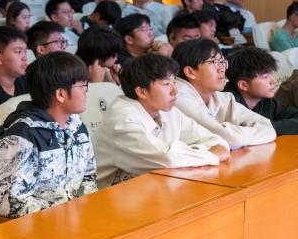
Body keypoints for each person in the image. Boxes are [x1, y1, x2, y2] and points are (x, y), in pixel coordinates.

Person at [94, 54, 230, 188]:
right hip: (109, 195)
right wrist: (210, 155)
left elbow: (216, 141)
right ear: (142, 92)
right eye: (166, 84)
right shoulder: (122, 120)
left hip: (151, 187)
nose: (175, 91)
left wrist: (195, 153)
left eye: (174, 82)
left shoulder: (167, 110)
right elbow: (167, 158)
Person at [0, 52, 97, 217]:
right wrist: (65, 214)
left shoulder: (77, 127)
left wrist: (82, 211)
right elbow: (12, 204)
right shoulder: (22, 136)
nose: (86, 91)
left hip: (72, 218)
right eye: (82, 86)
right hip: (32, 224)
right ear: (61, 94)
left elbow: (88, 178)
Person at [171, 39, 276, 150]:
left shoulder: (218, 97)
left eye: (221, 61)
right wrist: (234, 132)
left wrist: (230, 131)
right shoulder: (177, 95)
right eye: (213, 62)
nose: (222, 69)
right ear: (190, 72)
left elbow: (268, 128)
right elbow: (231, 139)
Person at [225, 47, 298, 135]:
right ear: (244, 85)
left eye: (271, 74)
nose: (273, 81)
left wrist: (267, 128)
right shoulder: (226, 104)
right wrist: (267, 128)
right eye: (265, 77)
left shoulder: (266, 102)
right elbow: (243, 134)